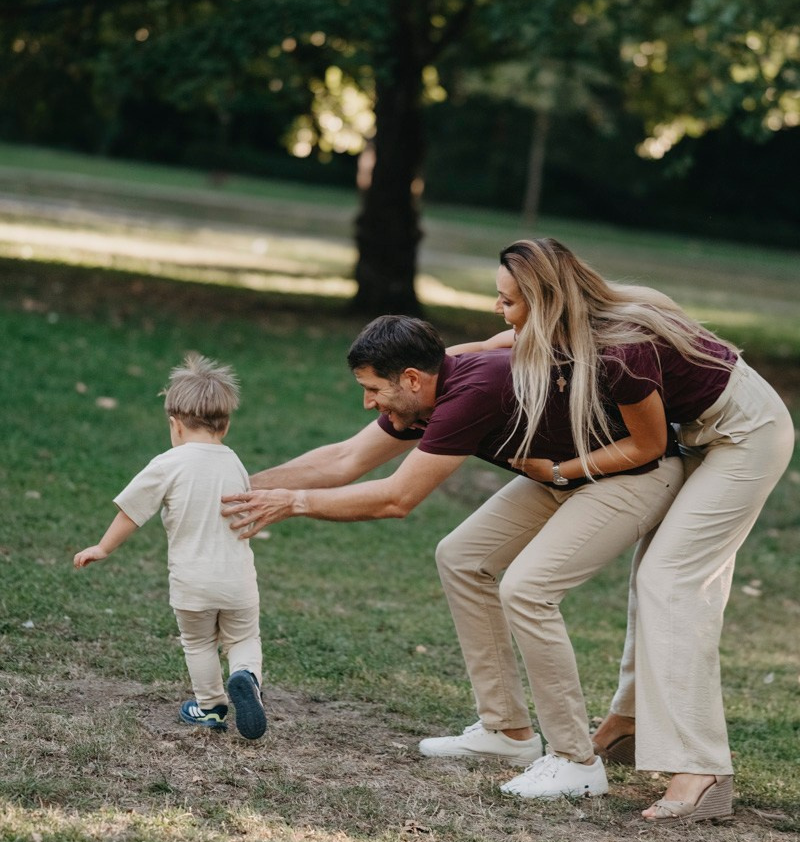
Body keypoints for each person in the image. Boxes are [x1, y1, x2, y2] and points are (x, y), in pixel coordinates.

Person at [221, 315, 683, 799]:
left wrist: (292, 502)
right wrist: (233, 488)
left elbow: (397, 498)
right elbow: (344, 459)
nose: (368, 403)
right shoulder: (424, 396)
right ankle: (507, 732)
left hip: (635, 476)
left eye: (373, 389)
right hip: (563, 474)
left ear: (411, 379)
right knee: (463, 558)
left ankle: (575, 760)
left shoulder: (473, 391)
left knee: (527, 590)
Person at [462, 238, 794, 821]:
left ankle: (702, 767)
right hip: (700, 435)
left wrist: (560, 471)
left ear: (547, 301)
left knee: (671, 580)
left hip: (746, 438)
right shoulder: (577, 323)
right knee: (652, 578)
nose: (499, 309)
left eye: (508, 300)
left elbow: (647, 445)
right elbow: (500, 344)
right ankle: (628, 723)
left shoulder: (618, 349)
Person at [73, 353, 267, 741]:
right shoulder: (235, 463)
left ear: (174, 424)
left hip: (192, 582)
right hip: (238, 580)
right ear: (225, 425)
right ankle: (246, 676)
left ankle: (211, 706)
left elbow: (132, 510)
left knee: (198, 642)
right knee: (244, 639)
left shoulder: (169, 463)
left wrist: (103, 547)